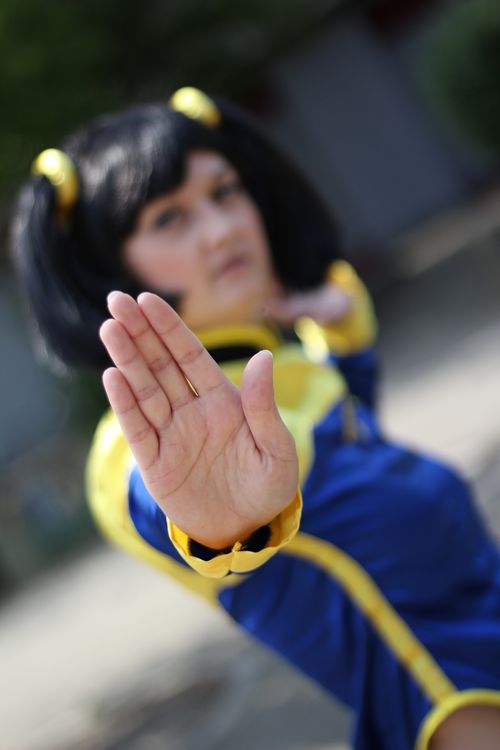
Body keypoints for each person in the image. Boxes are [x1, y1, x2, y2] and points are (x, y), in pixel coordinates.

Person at [11, 87, 500, 750]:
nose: (223, 228)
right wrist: (217, 523)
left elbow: (349, 450)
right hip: (459, 708)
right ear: (109, 268)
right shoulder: (138, 446)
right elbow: (165, 498)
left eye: (225, 191)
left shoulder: (280, 367)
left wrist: (344, 336)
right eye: (169, 219)